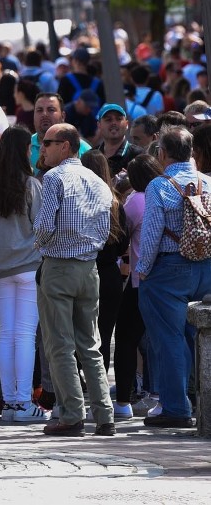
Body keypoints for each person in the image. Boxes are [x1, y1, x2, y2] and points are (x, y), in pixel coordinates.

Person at [34, 123, 115, 437]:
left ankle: (71, 414)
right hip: (89, 268)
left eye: (48, 143)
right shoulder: (97, 180)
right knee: (91, 344)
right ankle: (104, 414)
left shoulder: (54, 178)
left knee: (60, 345)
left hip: (59, 266)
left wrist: (38, 245)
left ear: (64, 146)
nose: (43, 149)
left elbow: (44, 226)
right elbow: (105, 229)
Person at [137, 126, 211, 429]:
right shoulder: (208, 181)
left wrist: (143, 269)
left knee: (169, 338)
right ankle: (197, 401)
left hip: (169, 269)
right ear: (191, 152)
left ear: (162, 154)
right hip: (206, 267)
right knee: (198, 338)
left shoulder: (159, 185)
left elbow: (153, 231)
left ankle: (177, 408)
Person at [0, 126, 47, 422]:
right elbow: (42, 228)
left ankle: (9, 403)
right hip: (30, 265)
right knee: (25, 335)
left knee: (7, 334)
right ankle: (22, 403)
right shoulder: (32, 185)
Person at [113, 154, 164, 419]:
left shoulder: (135, 201)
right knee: (165, 339)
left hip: (139, 280)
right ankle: (166, 397)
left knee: (125, 339)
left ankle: (123, 401)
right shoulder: (169, 194)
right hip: (167, 277)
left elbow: (120, 240)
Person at [80, 150, 129, 373]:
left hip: (82, 270)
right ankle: (97, 383)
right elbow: (122, 243)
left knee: (79, 331)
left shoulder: (76, 202)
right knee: (105, 333)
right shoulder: (115, 203)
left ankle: (79, 379)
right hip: (109, 274)